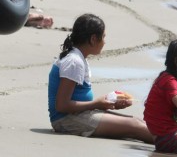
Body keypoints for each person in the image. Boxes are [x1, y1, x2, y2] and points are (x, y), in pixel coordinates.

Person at [48, 13, 153, 142]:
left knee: (136, 121)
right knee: (135, 127)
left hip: (78, 114)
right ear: (93, 39)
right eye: (103, 37)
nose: (104, 41)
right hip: (66, 120)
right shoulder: (74, 62)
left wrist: (105, 103)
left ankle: (175, 138)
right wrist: (97, 103)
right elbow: (62, 106)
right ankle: (173, 142)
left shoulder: (78, 58)